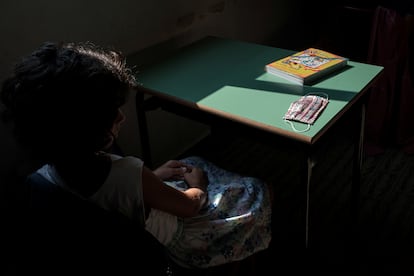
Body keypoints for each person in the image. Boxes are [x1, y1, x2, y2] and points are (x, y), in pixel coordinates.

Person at [0, 41, 272, 269]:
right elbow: (190, 206)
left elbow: (116, 194)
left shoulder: (47, 172)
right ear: (82, 127)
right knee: (253, 189)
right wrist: (198, 186)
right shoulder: (128, 172)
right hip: (179, 242)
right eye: (111, 112)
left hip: (131, 224)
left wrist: (152, 177)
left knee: (189, 162)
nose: (121, 116)